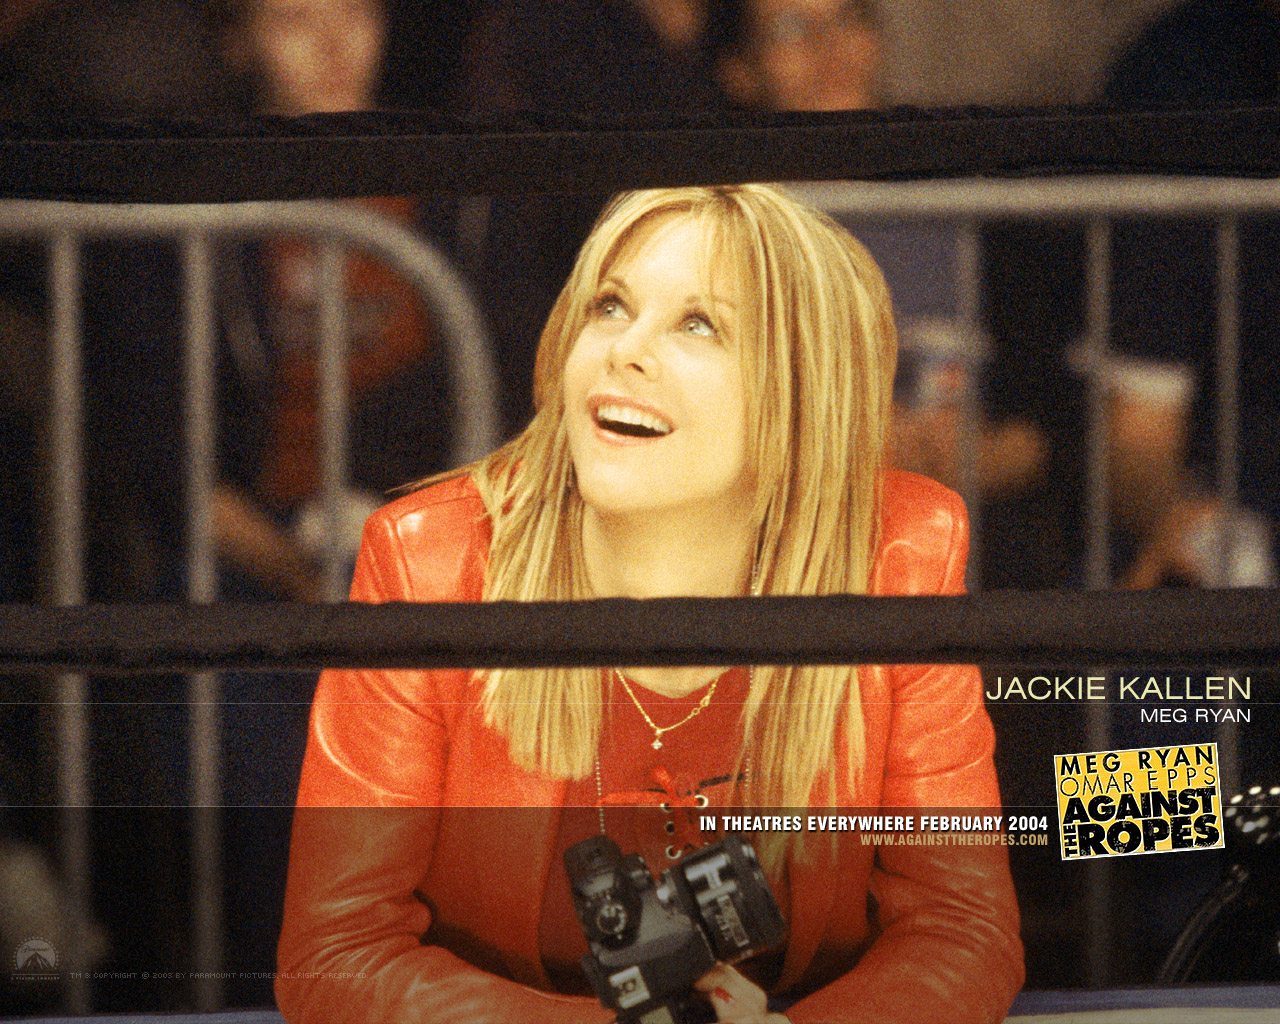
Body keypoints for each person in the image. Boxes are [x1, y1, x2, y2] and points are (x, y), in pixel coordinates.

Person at [276, 184, 1023, 1023]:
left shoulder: (900, 556)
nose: (624, 350)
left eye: (698, 324)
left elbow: (962, 929)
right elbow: (335, 957)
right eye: (610, 306)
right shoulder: (430, 563)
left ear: (803, 395)